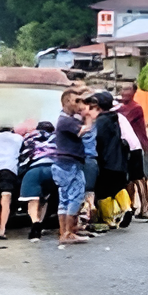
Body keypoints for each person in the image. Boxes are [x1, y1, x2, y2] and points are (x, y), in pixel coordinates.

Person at [49, 92, 89, 245]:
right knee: (76, 196)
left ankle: (64, 232)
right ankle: (69, 231)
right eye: (76, 101)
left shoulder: (64, 120)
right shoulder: (66, 121)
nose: (79, 104)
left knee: (65, 199)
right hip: (70, 163)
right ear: (66, 102)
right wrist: (89, 115)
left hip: (61, 162)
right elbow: (85, 130)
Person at [88, 90, 130, 230]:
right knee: (118, 187)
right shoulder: (114, 117)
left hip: (105, 161)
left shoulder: (100, 122)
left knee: (103, 190)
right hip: (119, 161)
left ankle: (108, 220)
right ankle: (126, 208)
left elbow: (97, 141)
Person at [118, 88, 148, 218]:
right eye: (123, 90)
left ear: (133, 92)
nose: (124, 92)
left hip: (139, 145)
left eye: (127, 90)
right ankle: (131, 204)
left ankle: (145, 204)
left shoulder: (135, 108)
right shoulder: (120, 108)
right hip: (126, 147)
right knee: (129, 178)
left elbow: (124, 118)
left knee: (139, 177)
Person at [19, 120, 57, 240]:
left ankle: (35, 225)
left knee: (33, 199)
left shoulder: (29, 138)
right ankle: (41, 222)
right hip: (54, 169)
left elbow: (23, 157)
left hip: (34, 170)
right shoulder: (57, 138)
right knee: (45, 198)